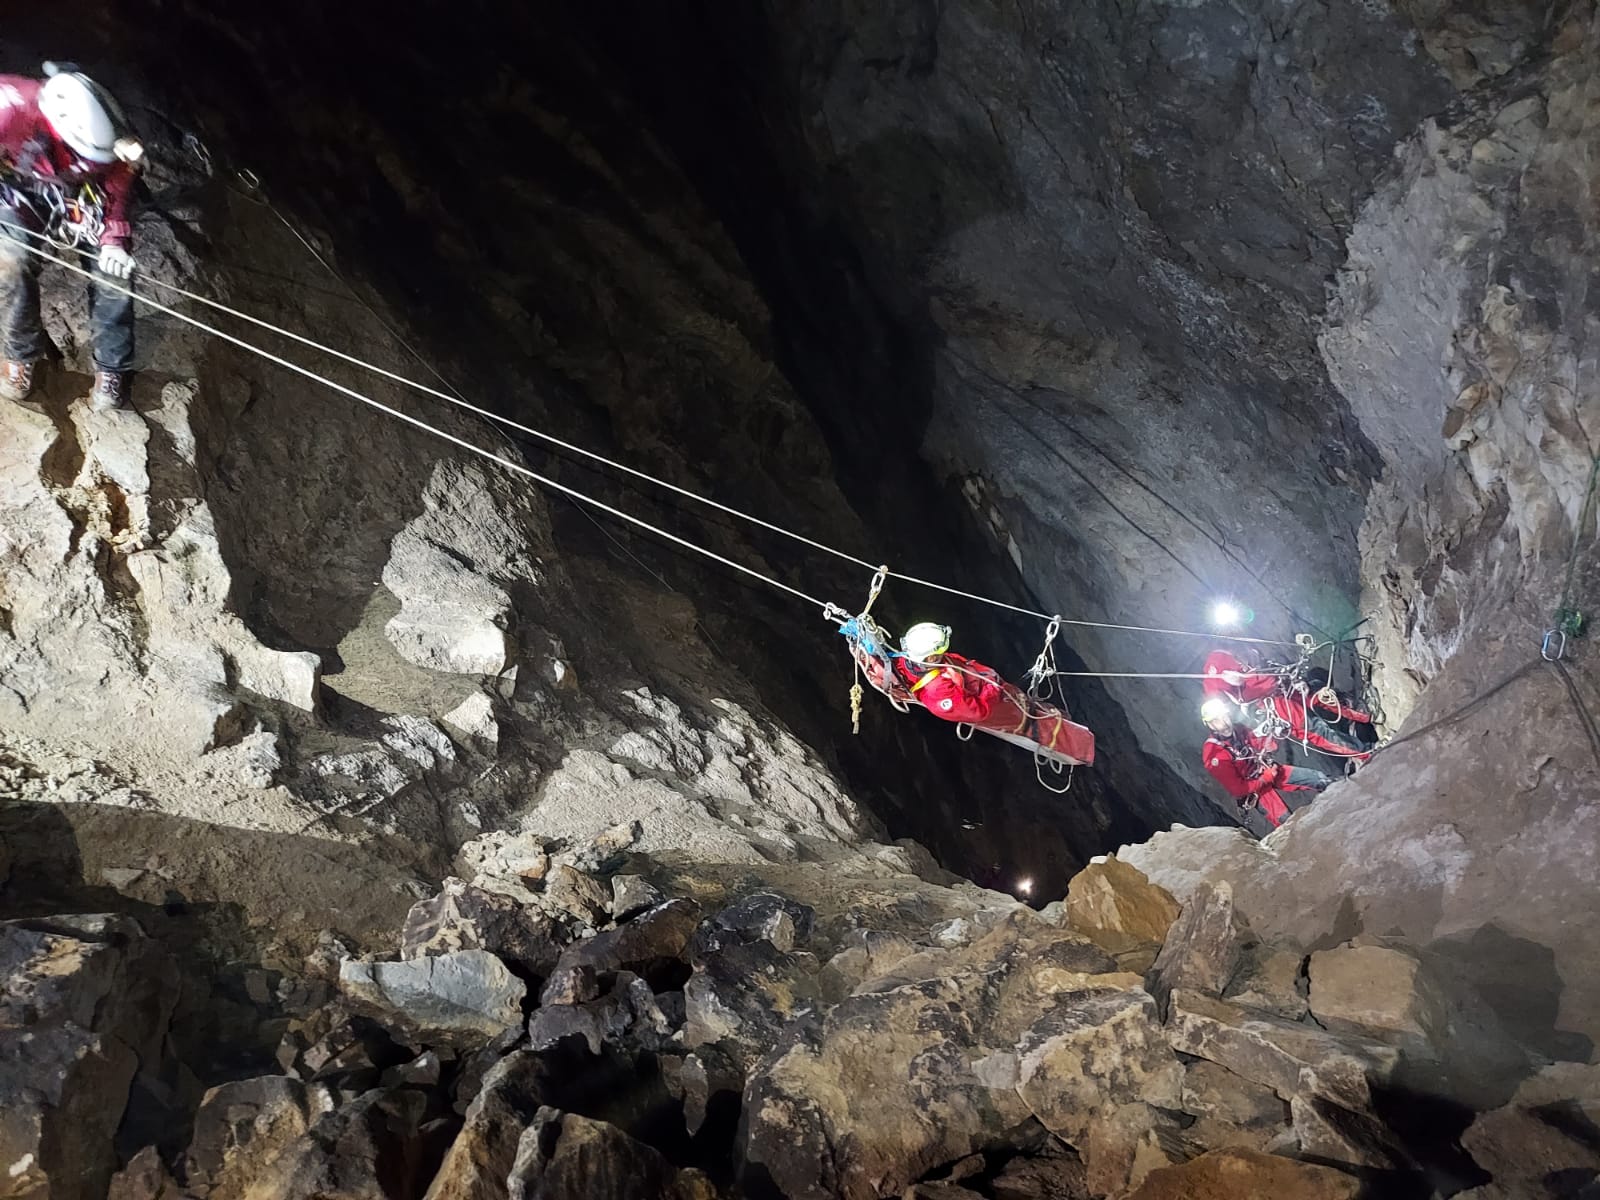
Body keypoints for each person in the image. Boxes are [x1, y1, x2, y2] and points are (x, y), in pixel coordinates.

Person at [0, 63, 144, 411]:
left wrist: (113, 238)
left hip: (83, 193)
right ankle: (20, 356)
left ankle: (112, 367)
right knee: (10, 262)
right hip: (18, 183)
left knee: (114, 272)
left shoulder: (115, 131)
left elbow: (119, 181)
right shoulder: (8, 108)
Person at [1202, 648, 1372, 764]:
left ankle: (1365, 717)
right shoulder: (1215, 664)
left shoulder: (1244, 648)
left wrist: (1295, 679)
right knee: (1315, 730)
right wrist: (1228, 682)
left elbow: (1268, 666)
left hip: (1282, 684)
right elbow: (1214, 695)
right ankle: (1365, 752)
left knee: (1319, 697)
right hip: (1271, 704)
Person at [1200, 697, 1332, 829]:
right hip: (1256, 791)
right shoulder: (1214, 756)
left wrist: (1269, 743)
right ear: (1210, 725)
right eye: (1217, 720)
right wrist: (1264, 779)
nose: (1225, 723)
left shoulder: (1238, 730)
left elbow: (1256, 741)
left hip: (1266, 769)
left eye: (1225, 716)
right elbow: (1239, 789)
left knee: (1319, 778)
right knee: (1288, 825)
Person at [894, 622, 1005, 724]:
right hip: (992, 696)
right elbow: (978, 712)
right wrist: (993, 689)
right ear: (931, 658)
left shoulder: (906, 660)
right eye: (942, 651)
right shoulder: (939, 691)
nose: (945, 652)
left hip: (977, 675)